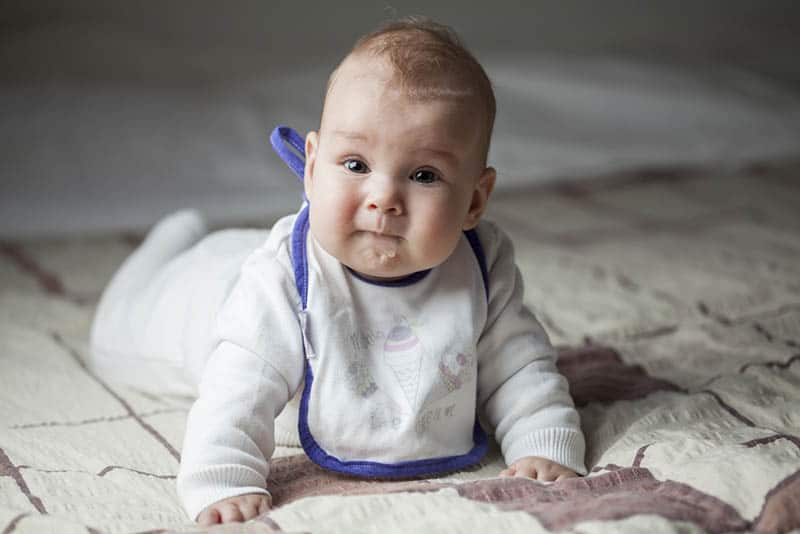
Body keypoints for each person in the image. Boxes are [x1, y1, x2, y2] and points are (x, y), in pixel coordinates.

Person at [89, 17, 587, 526]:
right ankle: (170, 239)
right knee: (124, 319)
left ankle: (190, 232)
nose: (383, 199)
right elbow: (235, 390)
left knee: (230, 249)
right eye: (355, 165)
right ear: (311, 166)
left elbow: (520, 367)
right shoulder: (281, 277)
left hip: (245, 255)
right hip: (198, 298)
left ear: (475, 200)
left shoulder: (481, 266)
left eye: (423, 175)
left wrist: (543, 443)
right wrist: (224, 479)